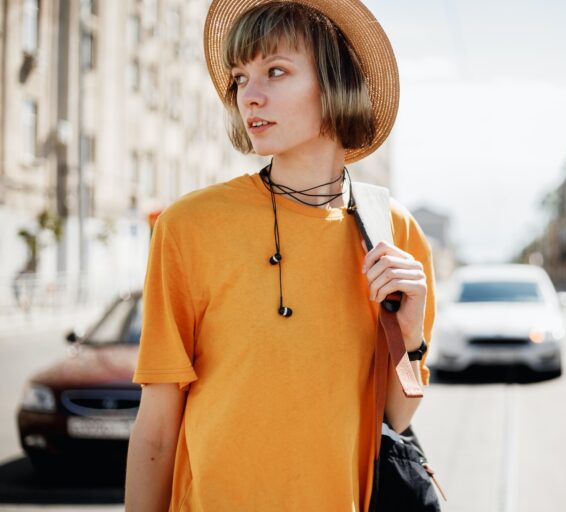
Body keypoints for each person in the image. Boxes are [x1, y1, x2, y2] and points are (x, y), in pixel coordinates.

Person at [124, 1, 436, 511]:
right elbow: (157, 429)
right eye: (240, 78)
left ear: (336, 81)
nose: (251, 95)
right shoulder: (189, 227)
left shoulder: (393, 232)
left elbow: (392, 422)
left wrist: (411, 335)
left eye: (275, 71)